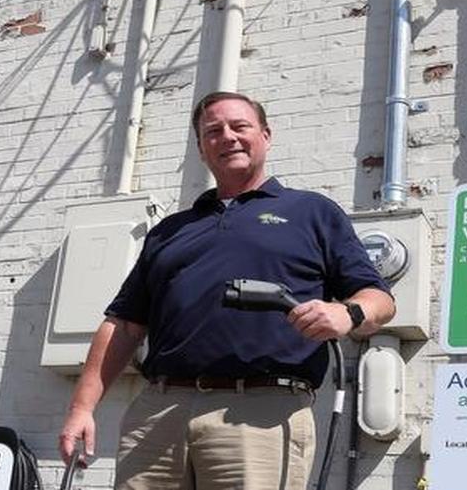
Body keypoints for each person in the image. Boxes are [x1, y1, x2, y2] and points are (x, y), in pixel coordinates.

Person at [58, 91, 395, 490]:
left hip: (261, 411)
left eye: (240, 126)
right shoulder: (170, 231)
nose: (228, 137)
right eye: (213, 131)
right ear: (201, 149)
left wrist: (347, 314)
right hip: (160, 409)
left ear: (266, 136)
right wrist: (81, 408)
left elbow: (380, 301)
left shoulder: (312, 213)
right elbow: (125, 325)